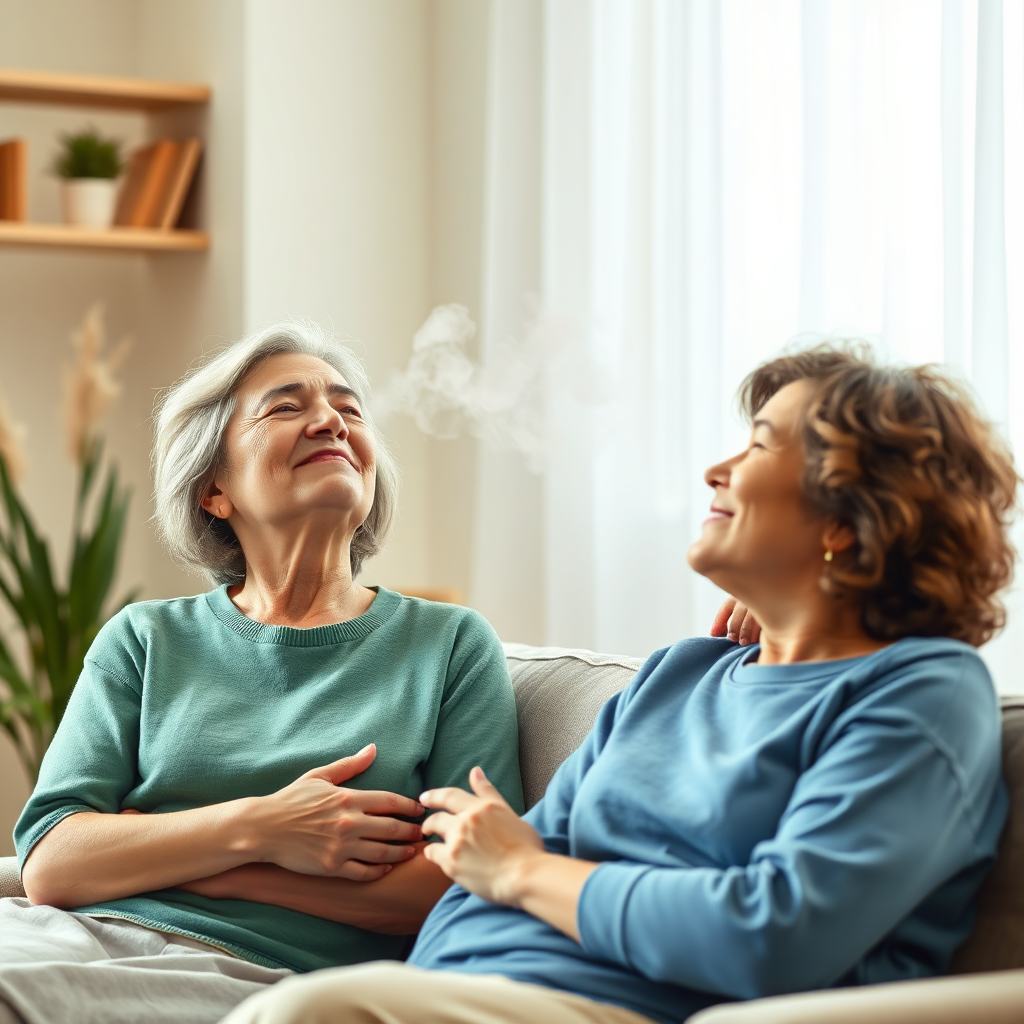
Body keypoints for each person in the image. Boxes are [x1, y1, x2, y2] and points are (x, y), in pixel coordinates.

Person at [222, 345, 1016, 1024]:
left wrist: (525, 872)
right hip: (467, 991)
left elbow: (772, 934)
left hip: (631, 1007)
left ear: (846, 518)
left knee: (309, 1012)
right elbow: (479, 888)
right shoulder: (680, 675)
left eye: (761, 447)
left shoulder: (921, 691)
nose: (716, 468)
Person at [2, 322, 524, 1024]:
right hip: (70, 938)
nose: (331, 422)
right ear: (214, 490)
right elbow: (54, 861)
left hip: (254, 976)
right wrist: (266, 825)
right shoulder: (145, 639)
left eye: (349, 409)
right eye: (287, 407)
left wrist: (220, 869)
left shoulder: (448, 644)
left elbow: (460, 882)